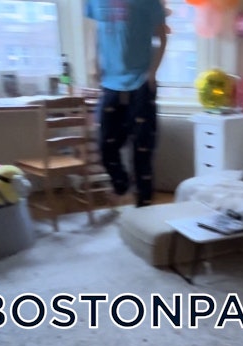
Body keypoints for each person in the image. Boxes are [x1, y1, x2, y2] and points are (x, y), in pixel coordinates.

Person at [85, 0, 167, 207]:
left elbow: (161, 37)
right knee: (106, 145)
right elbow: (95, 30)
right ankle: (122, 186)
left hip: (141, 81)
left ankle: (144, 206)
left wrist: (152, 72)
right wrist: (93, 61)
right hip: (110, 82)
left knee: (142, 148)